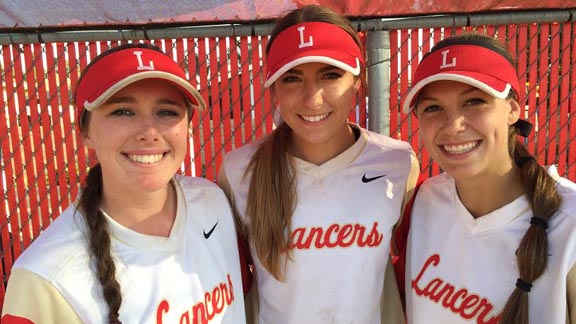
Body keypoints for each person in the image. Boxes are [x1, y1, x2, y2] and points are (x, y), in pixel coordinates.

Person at [2, 43, 246, 324]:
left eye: (166, 112)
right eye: (123, 112)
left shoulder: (212, 202)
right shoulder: (46, 277)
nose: (149, 132)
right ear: (86, 132)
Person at [218, 5, 420, 324]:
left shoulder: (397, 163)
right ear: (273, 91)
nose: (312, 98)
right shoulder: (240, 170)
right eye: (292, 78)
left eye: (330, 75)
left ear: (358, 82)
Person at [402, 33, 576, 324]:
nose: (453, 125)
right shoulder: (423, 201)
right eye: (433, 107)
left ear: (512, 109)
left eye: (474, 101)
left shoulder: (568, 223)